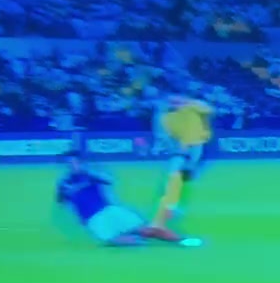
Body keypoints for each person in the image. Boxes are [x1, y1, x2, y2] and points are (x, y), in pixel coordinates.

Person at [144, 93, 213, 242]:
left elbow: (207, 110)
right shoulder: (165, 116)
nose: (175, 105)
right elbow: (165, 136)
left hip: (191, 153)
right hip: (182, 154)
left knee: (178, 186)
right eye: (172, 102)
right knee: (173, 185)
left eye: (178, 102)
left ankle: (161, 222)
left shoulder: (192, 109)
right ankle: (160, 223)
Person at [56, 154, 145, 247]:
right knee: (111, 239)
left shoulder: (90, 175)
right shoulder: (64, 183)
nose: (73, 165)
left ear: (82, 163)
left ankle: (139, 235)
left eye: (75, 162)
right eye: (69, 163)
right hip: (91, 218)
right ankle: (135, 239)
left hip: (107, 209)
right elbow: (61, 202)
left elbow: (109, 180)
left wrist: (90, 174)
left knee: (139, 228)